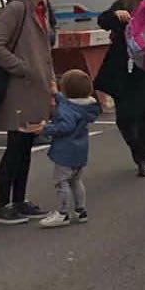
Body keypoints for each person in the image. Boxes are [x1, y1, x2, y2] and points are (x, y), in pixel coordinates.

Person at [0, 0, 59, 226]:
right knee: (15, 145)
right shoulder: (17, 9)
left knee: (27, 145)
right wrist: (23, 67)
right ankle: (3, 205)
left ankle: (19, 199)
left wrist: (51, 81)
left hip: (37, 87)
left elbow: (45, 51)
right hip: (19, 88)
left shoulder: (42, 9)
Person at [93, 0, 145, 177]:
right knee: (124, 119)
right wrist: (116, 15)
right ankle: (136, 150)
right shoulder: (124, 5)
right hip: (123, 69)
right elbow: (103, 21)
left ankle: (144, 157)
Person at [37, 70, 99, 228]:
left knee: (61, 182)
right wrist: (55, 94)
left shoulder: (66, 110)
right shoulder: (86, 106)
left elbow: (65, 126)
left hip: (65, 152)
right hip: (80, 151)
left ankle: (62, 213)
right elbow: (67, 102)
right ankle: (80, 210)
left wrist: (44, 129)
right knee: (76, 180)